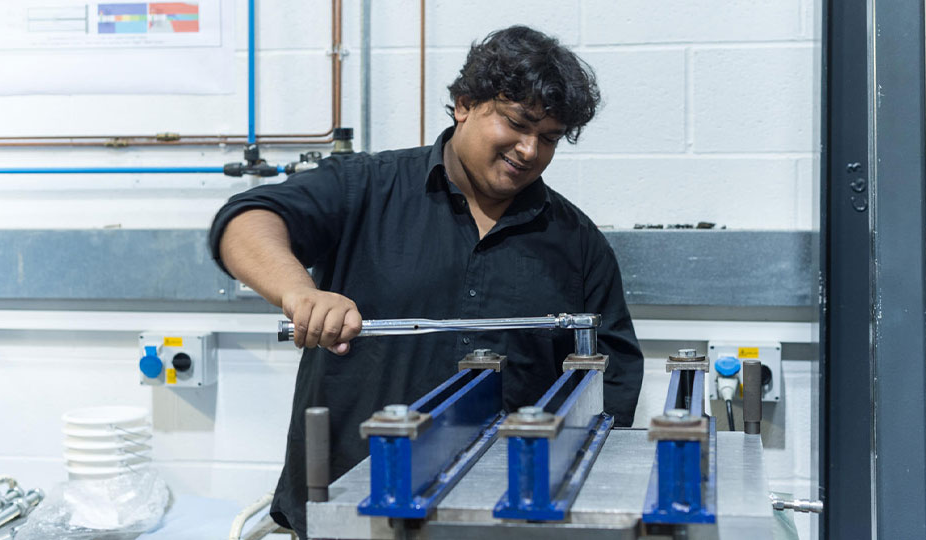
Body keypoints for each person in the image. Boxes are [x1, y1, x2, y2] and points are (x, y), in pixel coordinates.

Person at [208, 25, 643, 537]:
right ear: (464, 104)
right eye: (517, 123)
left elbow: (610, 387)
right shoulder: (366, 187)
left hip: (501, 521)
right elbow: (245, 220)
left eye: (547, 138)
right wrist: (298, 291)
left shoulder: (577, 242)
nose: (529, 150)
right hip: (350, 511)